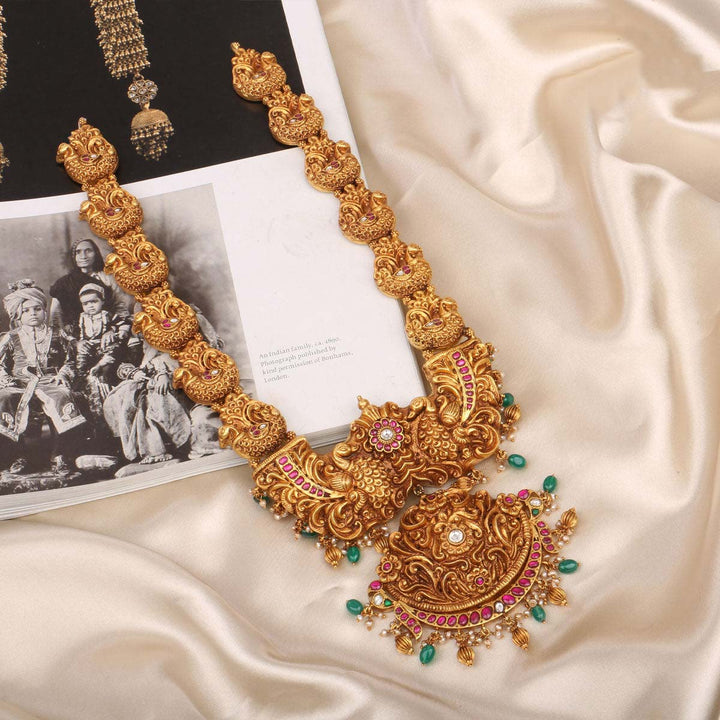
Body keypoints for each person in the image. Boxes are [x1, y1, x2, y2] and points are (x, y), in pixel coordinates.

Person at [0, 280, 86, 474]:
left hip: (50, 380)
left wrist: (63, 374)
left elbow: (70, 360)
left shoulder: (57, 334)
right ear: (18, 315)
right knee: (5, 397)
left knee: (62, 396)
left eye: (37, 309)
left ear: (44, 311)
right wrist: (4, 378)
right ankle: (18, 456)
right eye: (26, 311)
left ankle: (59, 455)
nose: (33, 314)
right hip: (19, 382)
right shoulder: (11, 337)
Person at [102, 341, 192, 465]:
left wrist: (162, 374)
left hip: (174, 372)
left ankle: (164, 447)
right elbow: (125, 361)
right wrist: (133, 373)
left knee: (157, 394)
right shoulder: (136, 340)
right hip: (146, 375)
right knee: (125, 395)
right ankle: (148, 448)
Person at [49, 238, 132, 336]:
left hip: (107, 329)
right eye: (78, 252)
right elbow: (56, 315)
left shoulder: (108, 279)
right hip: (76, 333)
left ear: (96, 253)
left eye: (88, 251)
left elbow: (120, 307)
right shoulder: (64, 283)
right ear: (73, 257)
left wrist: (115, 330)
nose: (83, 256)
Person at [75, 282, 132, 416]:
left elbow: (124, 323)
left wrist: (115, 331)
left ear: (102, 301)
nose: (90, 306)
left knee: (113, 348)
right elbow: (75, 335)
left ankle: (103, 365)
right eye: (86, 304)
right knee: (80, 360)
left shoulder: (108, 315)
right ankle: (81, 380)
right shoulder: (81, 318)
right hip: (89, 347)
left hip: (105, 345)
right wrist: (79, 342)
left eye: (94, 302)